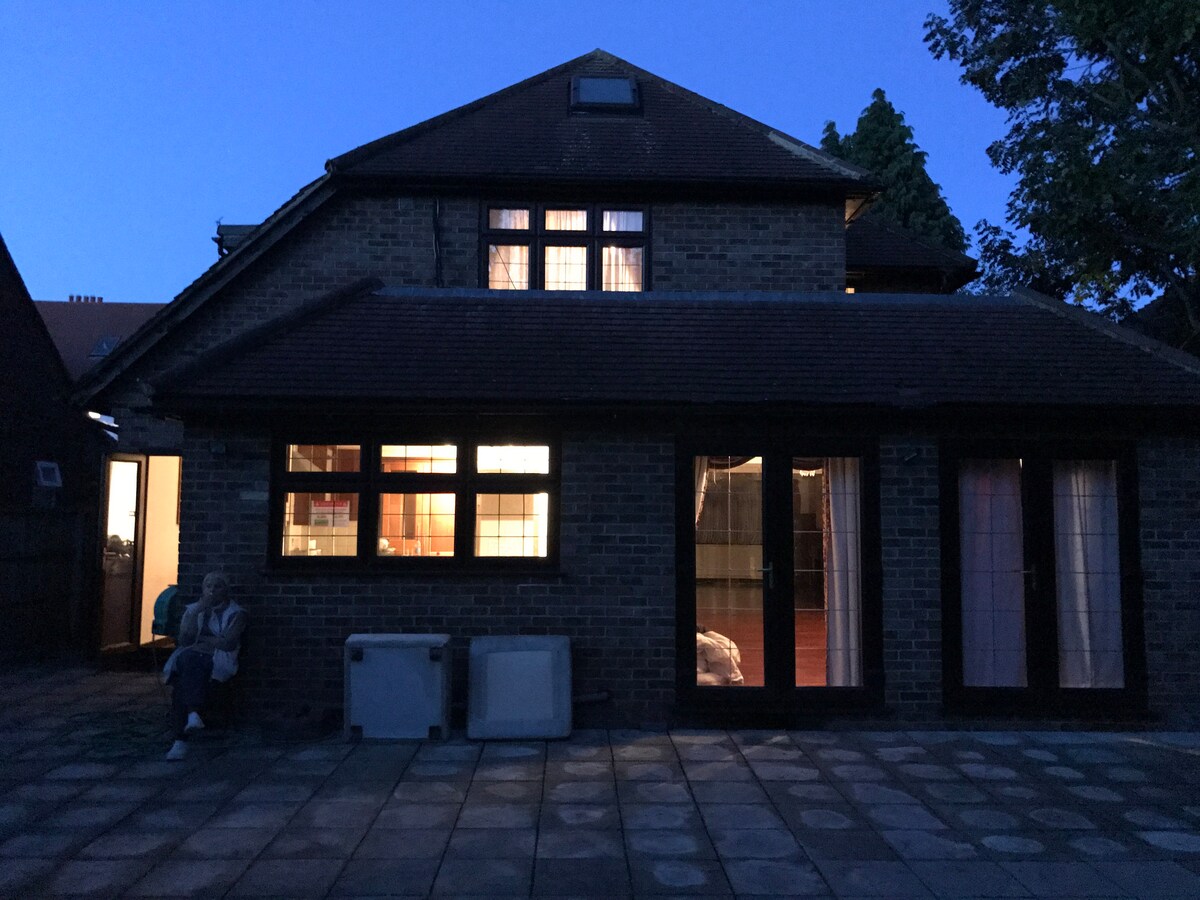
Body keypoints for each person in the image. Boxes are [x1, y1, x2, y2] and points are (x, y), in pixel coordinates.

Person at [161, 572, 247, 760]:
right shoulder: (193, 610)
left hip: (218, 659)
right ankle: (192, 716)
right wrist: (197, 612)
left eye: (217, 586)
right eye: (208, 586)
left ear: (226, 590)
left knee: (185, 676)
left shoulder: (236, 613)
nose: (212, 591)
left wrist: (204, 641)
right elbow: (185, 639)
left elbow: (228, 643)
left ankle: (180, 739)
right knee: (190, 662)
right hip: (194, 657)